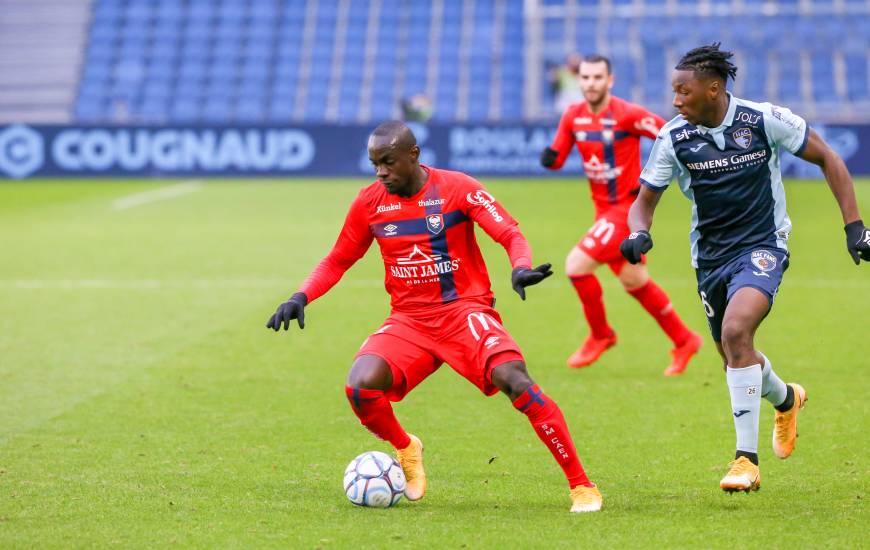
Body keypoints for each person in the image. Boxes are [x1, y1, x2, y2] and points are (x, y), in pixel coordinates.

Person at [266, 121, 603, 513]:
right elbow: (339, 258)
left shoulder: (458, 188)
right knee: (360, 386)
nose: (381, 172)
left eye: (388, 162)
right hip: (409, 320)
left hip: (465, 312)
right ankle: (406, 447)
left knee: (516, 380)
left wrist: (519, 266)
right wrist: (301, 295)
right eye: (375, 164)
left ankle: (582, 485)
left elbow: (509, 232)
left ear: (414, 155)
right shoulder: (369, 203)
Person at [620, 43, 870, 493]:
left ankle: (745, 461)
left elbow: (829, 158)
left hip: (762, 246)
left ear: (713, 89)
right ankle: (787, 398)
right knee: (736, 357)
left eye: (683, 91)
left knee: (738, 333)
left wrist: (854, 226)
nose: (675, 101)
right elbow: (643, 204)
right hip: (710, 259)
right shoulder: (674, 138)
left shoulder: (761, 119)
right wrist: (639, 233)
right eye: (674, 92)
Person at [541, 54, 702, 375]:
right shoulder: (573, 116)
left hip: (626, 211)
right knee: (634, 280)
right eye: (585, 78)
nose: (590, 84)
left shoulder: (627, 114)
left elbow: (665, 133)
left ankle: (601, 335)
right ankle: (684, 340)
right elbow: (556, 159)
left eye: (597, 78)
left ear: (609, 81)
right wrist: (550, 157)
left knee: (576, 265)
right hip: (602, 210)